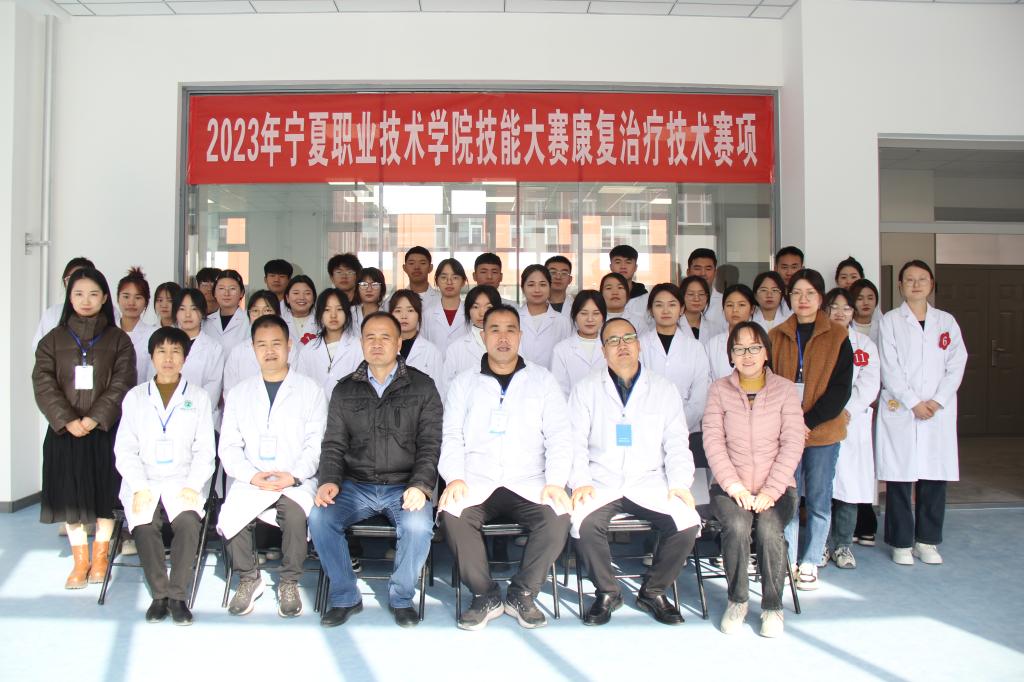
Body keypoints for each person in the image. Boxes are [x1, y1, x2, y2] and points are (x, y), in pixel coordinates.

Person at [438, 305, 572, 631]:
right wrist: (454, 478)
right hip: (476, 479)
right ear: (483, 336)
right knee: (453, 514)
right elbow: (452, 435)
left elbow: (559, 435)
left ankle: (522, 592)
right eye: (494, 330)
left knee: (558, 516)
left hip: (529, 480)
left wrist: (555, 482)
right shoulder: (464, 383)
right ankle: (485, 594)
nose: (503, 337)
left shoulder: (542, 380)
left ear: (520, 336)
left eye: (510, 329)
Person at [310, 312, 442, 628]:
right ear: (361, 343)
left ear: (399, 343)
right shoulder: (345, 389)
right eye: (370, 337)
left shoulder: (422, 387)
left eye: (385, 337)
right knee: (320, 519)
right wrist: (329, 480)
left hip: (404, 485)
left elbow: (430, 443)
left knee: (417, 527)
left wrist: (420, 485)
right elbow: (333, 443)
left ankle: (401, 598)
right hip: (355, 485)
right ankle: (345, 596)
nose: (377, 344)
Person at [569, 318, 700, 626]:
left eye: (628, 338)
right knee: (583, 524)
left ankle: (653, 591)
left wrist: (680, 484)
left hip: (650, 480)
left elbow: (677, 443)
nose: (622, 345)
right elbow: (574, 443)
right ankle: (607, 592)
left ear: (639, 345)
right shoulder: (586, 389)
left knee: (686, 522)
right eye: (613, 341)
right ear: (603, 350)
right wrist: (580, 482)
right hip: (602, 481)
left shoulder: (664, 389)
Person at [32, 267, 137, 589]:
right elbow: (43, 383)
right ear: (69, 298)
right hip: (64, 432)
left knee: (105, 493)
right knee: (70, 496)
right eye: (78, 294)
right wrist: (68, 420)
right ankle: (80, 561)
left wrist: (94, 418)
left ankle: (101, 557)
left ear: (104, 298)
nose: (86, 300)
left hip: (104, 430)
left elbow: (123, 381)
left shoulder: (119, 340)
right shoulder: (53, 340)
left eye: (93, 294)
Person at [218, 315, 327, 617]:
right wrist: (252, 476)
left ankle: (289, 582)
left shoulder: (310, 390)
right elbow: (229, 446)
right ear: (252, 348)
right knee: (232, 512)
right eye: (262, 345)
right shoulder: (239, 393)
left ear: (289, 345)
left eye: (276, 343)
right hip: (253, 479)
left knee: (295, 514)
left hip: (295, 478)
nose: (269, 351)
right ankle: (248, 578)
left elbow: (316, 443)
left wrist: (293, 475)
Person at [703, 321, 804, 638]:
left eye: (754, 347)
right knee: (736, 527)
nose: (747, 355)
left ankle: (772, 607)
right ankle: (737, 601)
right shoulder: (719, 390)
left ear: (766, 353)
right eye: (739, 348)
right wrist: (734, 487)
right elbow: (713, 442)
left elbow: (792, 442)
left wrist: (771, 491)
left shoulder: (785, 390)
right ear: (731, 355)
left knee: (770, 529)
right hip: (730, 487)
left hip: (777, 487)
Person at [114, 327, 216, 625]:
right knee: (145, 525)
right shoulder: (135, 397)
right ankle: (160, 595)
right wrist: (139, 486)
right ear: (151, 356)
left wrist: (193, 485)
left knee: (188, 522)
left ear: (185, 358)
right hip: (144, 479)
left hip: (183, 480)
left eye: (175, 352)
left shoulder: (198, 397)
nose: (168, 358)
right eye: (162, 351)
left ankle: (178, 596)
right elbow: (125, 449)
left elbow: (205, 450)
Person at [876, 260, 966, 566]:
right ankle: (901, 542)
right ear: (900, 285)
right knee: (900, 478)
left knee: (934, 476)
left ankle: (927, 541)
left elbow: (957, 364)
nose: (916, 284)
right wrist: (913, 402)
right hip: (902, 409)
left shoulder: (946, 322)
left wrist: (937, 401)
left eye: (922, 279)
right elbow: (889, 367)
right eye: (910, 280)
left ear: (931, 284)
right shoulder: (890, 321)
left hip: (937, 412)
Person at [769, 269, 853, 590]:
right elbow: (769, 384)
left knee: (818, 498)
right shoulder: (777, 335)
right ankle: (787, 557)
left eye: (810, 294)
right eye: (796, 293)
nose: (803, 300)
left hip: (823, 432)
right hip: (786, 432)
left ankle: (811, 559)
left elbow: (841, 389)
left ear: (821, 298)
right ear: (788, 297)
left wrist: (807, 421)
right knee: (788, 498)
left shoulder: (838, 336)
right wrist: (791, 422)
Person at [823, 288, 880, 569]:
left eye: (846, 308)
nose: (840, 313)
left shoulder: (864, 345)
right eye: (834, 307)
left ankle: (843, 545)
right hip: (822, 422)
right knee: (822, 488)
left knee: (849, 488)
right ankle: (821, 545)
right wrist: (828, 411)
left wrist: (847, 411)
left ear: (853, 313)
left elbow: (869, 384)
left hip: (851, 423)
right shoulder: (817, 341)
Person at [640, 283, 713, 458]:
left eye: (672, 304)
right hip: (646, 430)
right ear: (651, 310)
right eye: (659, 305)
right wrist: (655, 425)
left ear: (681, 309)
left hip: (687, 431)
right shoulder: (639, 345)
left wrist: (677, 425)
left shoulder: (695, 348)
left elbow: (699, 397)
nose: (665, 310)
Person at [294, 288, 362, 400]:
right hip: (315, 409)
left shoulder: (358, 347)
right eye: (327, 309)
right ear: (320, 314)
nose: (333, 315)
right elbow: (301, 386)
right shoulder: (308, 350)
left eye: (339, 309)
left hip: (349, 409)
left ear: (346, 313)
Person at [223, 291, 293, 395]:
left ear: (278, 314)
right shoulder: (238, 351)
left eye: (267, 310)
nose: (261, 315)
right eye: (255, 311)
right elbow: (230, 392)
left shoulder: (289, 348)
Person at [173, 289, 225, 424]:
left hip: (202, 418)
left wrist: (188, 411)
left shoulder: (214, 348)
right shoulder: (165, 345)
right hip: (170, 417)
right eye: (182, 309)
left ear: (202, 312)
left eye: (194, 309)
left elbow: (212, 389)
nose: (187, 314)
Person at [441, 285, 501, 397]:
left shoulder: (509, 343)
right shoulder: (456, 348)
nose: (482, 313)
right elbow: (446, 388)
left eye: (488, 307)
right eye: (475, 307)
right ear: (468, 311)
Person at [33, 256, 107, 348]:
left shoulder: (109, 312)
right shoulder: (52, 313)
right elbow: (39, 347)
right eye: (70, 279)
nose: (75, 283)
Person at [551, 290, 607, 398]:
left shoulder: (611, 346)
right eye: (584, 313)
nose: (590, 319)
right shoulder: (561, 349)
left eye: (596, 313)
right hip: (572, 407)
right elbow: (559, 391)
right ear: (575, 315)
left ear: (603, 317)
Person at [518, 264, 572, 369]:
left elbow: (567, 356)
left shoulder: (562, 321)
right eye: (531, 285)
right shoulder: (514, 319)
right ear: (523, 288)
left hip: (553, 377)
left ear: (550, 287)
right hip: (520, 377)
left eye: (542, 285)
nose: (537, 290)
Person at [388, 289, 443, 384]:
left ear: (419, 315)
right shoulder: (383, 347)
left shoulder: (431, 352)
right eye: (398, 310)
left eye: (410, 310)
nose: (404, 316)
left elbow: (438, 388)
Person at [116, 267, 159, 385]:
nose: (131, 303)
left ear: (146, 302)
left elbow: (154, 376)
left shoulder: (154, 335)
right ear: (118, 298)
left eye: (138, 297)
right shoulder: (107, 332)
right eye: (126, 296)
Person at [706, 284, 757, 380]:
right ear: (723, 309)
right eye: (729, 305)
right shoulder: (713, 344)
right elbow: (706, 378)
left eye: (741, 305)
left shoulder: (760, 341)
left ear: (752, 309)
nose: (735, 310)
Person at [421, 258, 469, 354]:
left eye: (455, 277)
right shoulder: (427, 314)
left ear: (463, 282)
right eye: (443, 277)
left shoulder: (471, 313)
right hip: (433, 363)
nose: (449, 282)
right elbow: (422, 348)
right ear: (437, 281)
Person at [203, 269, 249, 355]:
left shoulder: (249, 321)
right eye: (221, 288)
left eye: (232, 288)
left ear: (242, 293)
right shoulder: (205, 322)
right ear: (214, 293)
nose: (226, 293)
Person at [680, 275, 726, 344]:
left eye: (701, 294)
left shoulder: (716, 329)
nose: (696, 299)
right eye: (691, 294)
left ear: (707, 297)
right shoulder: (674, 326)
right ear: (682, 296)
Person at [686, 248, 725, 327]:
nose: (703, 273)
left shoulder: (724, 302)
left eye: (708, 269)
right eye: (697, 268)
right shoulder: (677, 302)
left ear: (715, 273)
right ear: (688, 272)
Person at [284, 275, 318, 344]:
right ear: (287, 298)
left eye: (307, 293)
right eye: (296, 293)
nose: (301, 297)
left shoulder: (322, 322)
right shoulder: (280, 322)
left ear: (314, 298)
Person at [850, 278, 882, 344]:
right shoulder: (846, 328)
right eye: (860, 299)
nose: (866, 303)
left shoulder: (883, 328)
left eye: (870, 298)